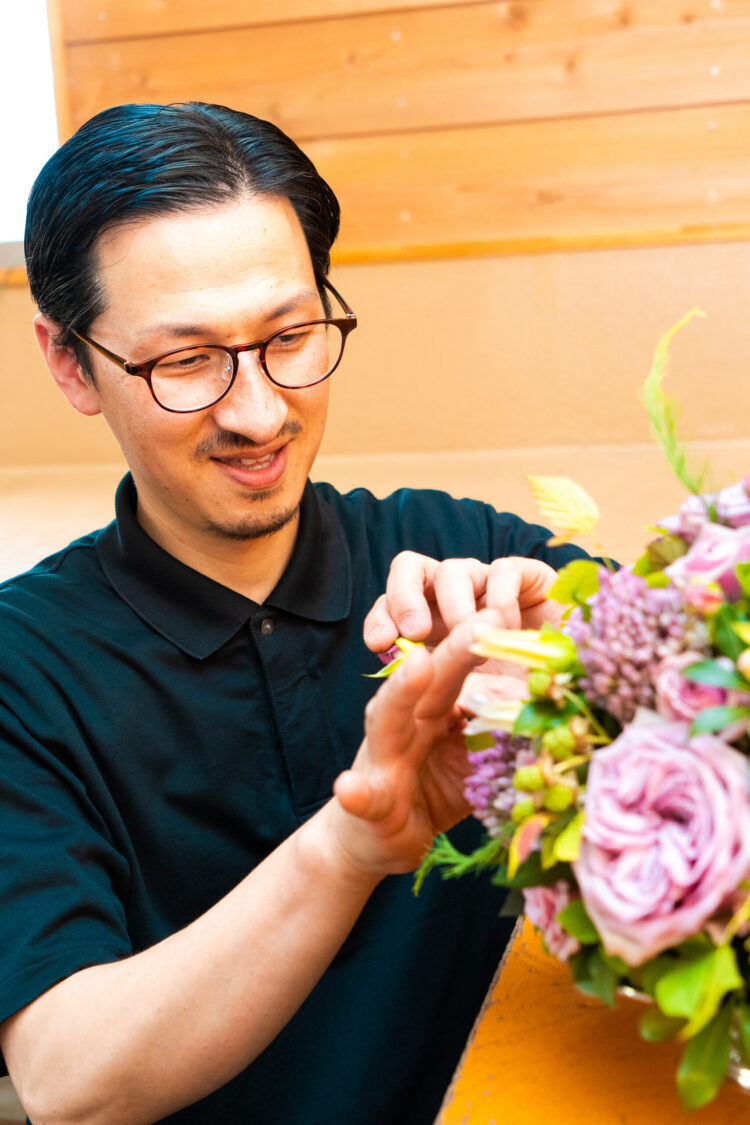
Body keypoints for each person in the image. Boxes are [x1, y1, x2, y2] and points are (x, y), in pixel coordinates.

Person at [0, 102, 590, 1125]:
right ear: (68, 361)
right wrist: (351, 846)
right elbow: (69, 1082)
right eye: (184, 361)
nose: (259, 412)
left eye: (290, 336)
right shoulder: (23, 669)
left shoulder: (479, 560)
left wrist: (594, 674)